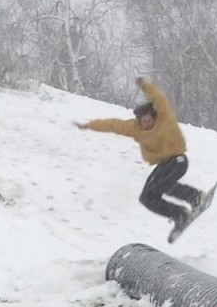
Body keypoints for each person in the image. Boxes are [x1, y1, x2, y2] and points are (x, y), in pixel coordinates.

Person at [76, 77, 204, 240]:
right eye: (144, 122)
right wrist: (88, 126)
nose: (147, 124)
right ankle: (180, 214)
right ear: (139, 121)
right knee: (147, 197)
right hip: (164, 164)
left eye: (149, 120)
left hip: (178, 160)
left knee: (160, 186)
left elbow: (159, 98)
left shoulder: (164, 117)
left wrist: (145, 86)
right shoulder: (134, 129)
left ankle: (195, 197)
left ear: (154, 116)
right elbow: (112, 125)